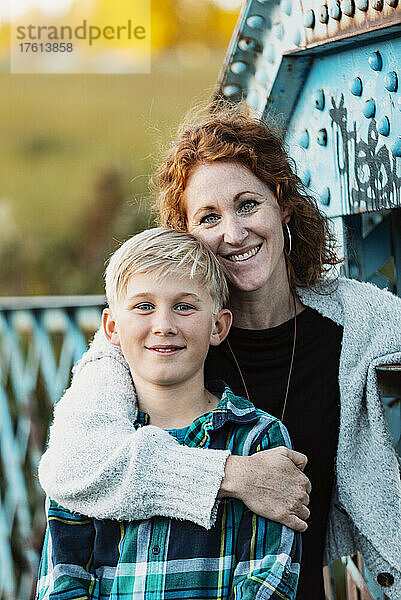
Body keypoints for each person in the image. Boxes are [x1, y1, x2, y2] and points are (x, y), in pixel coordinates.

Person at [38, 103, 401, 599]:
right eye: (209, 217)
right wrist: (233, 476)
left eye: (248, 205)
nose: (233, 233)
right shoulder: (153, 344)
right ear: (185, 236)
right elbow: (69, 466)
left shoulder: (360, 322)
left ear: (282, 205)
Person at [36, 227, 302, 600]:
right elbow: (63, 578)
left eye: (184, 306)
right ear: (112, 327)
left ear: (218, 326)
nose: (163, 325)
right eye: (144, 306)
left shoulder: (257, 439)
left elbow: (268, 580)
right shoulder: (91, 442)